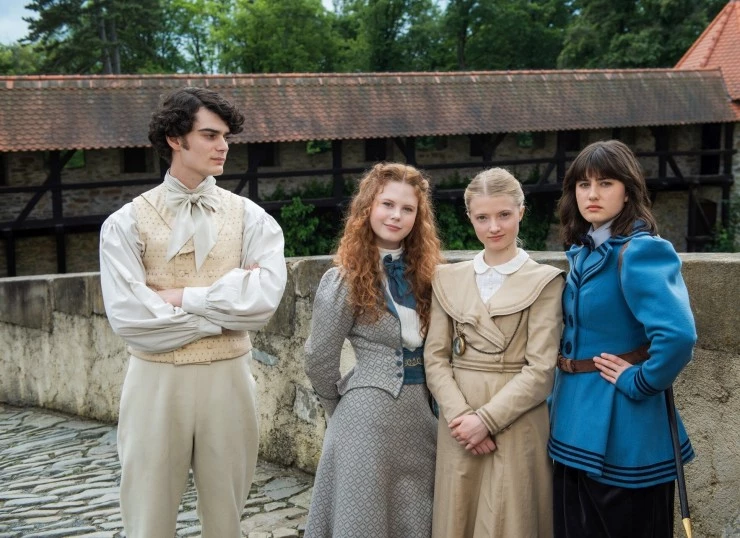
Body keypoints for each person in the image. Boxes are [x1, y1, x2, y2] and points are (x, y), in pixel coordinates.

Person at [99, 87, 287, 538]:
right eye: (209, 135)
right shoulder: (124, 223)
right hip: (155, 381)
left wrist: (182, 298)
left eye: (225, 137)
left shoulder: (252, 218)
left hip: (230, 377)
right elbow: (133, 321)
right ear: (175, 139)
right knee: (148, 517)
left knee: (227, 519)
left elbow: (263, 302)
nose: (223, 146)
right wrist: (225, 314)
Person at [548, 139, 697, 537]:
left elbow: (678, 335)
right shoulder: (583, 251)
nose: (592, 194)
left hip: (626, 432)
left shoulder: (641, 251)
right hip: (571, 425)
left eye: (605, 183)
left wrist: (639, 380)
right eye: (583, 184)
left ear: (627, 191)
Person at [303, 162, 443, 538]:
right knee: (364, 520)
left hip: (424, 420)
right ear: (368, 207)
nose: (396, 215)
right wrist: (341, 410)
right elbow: (319, 358)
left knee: (416, 517)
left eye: (408, 208)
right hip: (365, 423)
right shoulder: (344, 279)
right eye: (387, 204)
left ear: (418, 217)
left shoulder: (429, 275)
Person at [424, 167, 564, 538]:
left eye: (504, 214)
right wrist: (462, 418)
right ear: (469, 217)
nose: (494, 227)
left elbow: (540, 371)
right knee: (458, 517)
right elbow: (435, 359)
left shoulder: (545, 281)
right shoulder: (446, 278)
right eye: (482, 217)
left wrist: (485, 421)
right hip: (458, 422)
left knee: (511, 520)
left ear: (521, 212)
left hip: (516, 419)